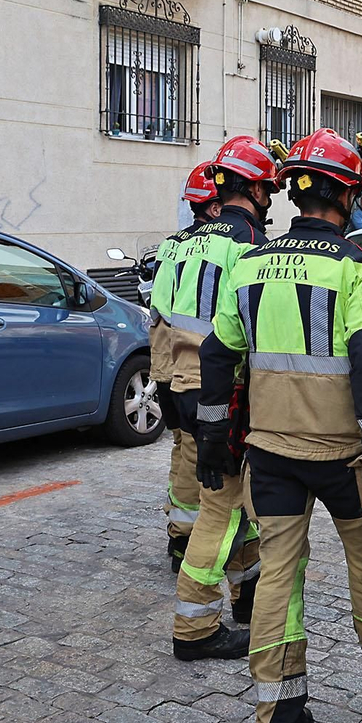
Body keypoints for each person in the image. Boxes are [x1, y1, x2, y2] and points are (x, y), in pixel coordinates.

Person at [199, 128, 362, 723]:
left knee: (279, 572)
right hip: (342, 456)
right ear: (348, 194)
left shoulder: (249, 264)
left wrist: (211, 436)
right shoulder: (357, 269)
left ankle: (278, 719)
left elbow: (219, 355)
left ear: (294, 192)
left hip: (270, 454)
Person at [166, 135, 277, 661]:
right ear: (253, 189)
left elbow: (161, 318)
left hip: (183, 385)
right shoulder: (250, 243)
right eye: (268, 189)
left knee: (236, 498)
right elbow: (252, 326)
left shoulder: (183, 242)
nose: (270, 199)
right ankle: (195, 628)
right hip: (225, 389)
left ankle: (246, 594)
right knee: (222, 506)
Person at [150, 162, 222, 571]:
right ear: (213, 208)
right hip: (192, 361)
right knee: (196, 449)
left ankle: (179, 533)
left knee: (181, 445)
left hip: (165, 359)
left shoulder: (171, 245)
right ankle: (189, 540)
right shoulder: (215, 246)